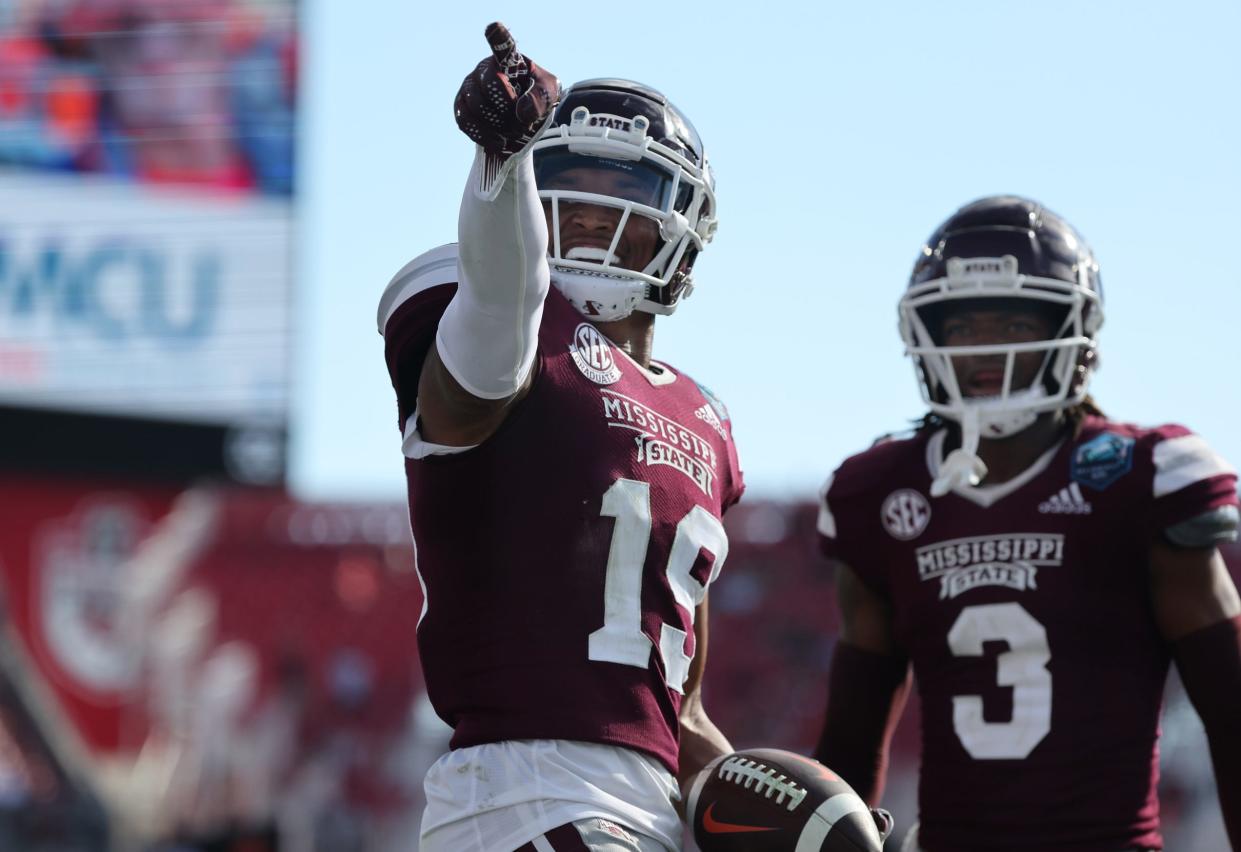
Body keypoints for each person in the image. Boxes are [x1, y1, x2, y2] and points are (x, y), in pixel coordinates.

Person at [376, 23, 744, 852]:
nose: (588, 206)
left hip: (644, 811)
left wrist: (790, 810)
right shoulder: (499, 321)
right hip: (523, 794)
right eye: (563, 179)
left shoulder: (706, 421)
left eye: (625, 186)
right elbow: (495, 320)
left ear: (682, 226)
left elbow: (677, 714)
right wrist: (500, 169)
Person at [812, 195, 1241, 852]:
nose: (987, 348)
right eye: (963, 327)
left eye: (1013, 323)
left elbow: (1231, 712)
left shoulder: (1140, 478)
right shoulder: (878, 493)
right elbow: (851, 738)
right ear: (925, 339)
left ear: (1074, 332)